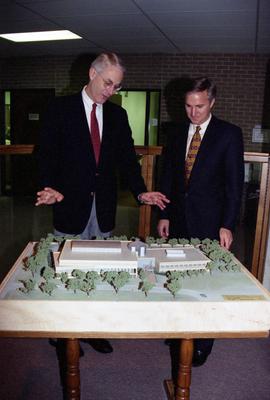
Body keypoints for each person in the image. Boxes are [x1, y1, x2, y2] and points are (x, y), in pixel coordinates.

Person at [36, 52, 169, 354]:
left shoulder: (117, 116)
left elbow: (128, 161)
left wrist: (140, 192)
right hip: (69, 203)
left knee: (99, 270)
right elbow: (46, 154)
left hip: (104, 206)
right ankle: (65, 334)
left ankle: (91, 328)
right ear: (92, 73)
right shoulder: (59, 109)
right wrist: (49, 187)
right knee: (67, 269)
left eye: (117, 87)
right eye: (108, 83)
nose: (111, 91)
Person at [157, 77, 244, 366]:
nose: (193, 112)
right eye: (188, 106)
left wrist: (228, 224)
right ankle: (181, 329)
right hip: (179, 219)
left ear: (212, 102)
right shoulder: (176, 131)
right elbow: (167, 176)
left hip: (211, 223)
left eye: (200, 106)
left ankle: (203, 342)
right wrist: (164, 214)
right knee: (179, 277)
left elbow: (234, 185)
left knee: (208, 283)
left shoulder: (229, 134)